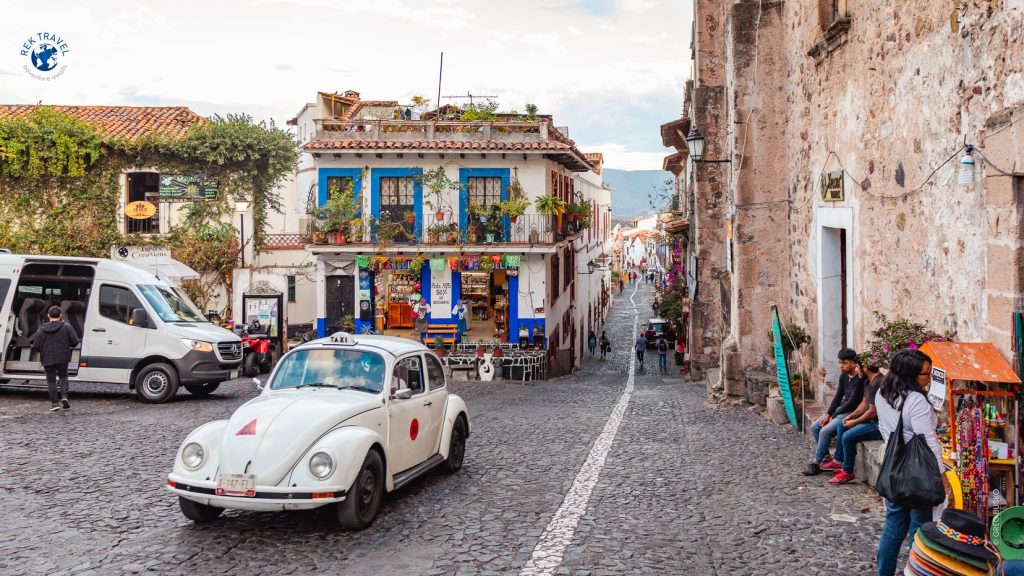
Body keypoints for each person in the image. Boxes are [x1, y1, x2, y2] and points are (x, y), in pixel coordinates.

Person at [874, 349, 947, 576]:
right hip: (917, 472)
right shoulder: (915, 400)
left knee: (894, 524)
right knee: (920, 526)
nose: (929, 377)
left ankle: (883, 572)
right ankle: (916, 572)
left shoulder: (882, 393)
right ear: (911, 375)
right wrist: (942, 476)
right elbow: (929, 442)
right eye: (926, 374)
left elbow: (886, 429)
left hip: (893, 464)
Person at [802, 347, 865, 476]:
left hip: (852, 412)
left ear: (854, 363)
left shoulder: (859, 379)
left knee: (824, 431)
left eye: (844, 363)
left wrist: (833, 415)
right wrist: (828, 414)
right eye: (840, 362)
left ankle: (816, 463)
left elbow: (852, 403)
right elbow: (837, 396)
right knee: (815, 427)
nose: (841, 366)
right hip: (840, 410)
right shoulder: (843, 376)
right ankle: (826, 458)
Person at [830, 363, 885, 485]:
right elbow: (863, 404)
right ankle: (840, 460)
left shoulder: (878, 383)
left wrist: (855, 422)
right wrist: (851, 416)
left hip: (880, 425)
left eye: (857, 367)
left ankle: (847, 472)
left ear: (865, 367)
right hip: (873, 420)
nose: (856, 370)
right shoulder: (867, 381)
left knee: (848, 436)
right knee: (842, 424)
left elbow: (872, 411)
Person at [30, 306, 80, 411]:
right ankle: (65, 397)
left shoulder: (42, 329)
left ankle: (54, 403)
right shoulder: (67, 327)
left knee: (51, 381)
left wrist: (43, 350)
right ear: (60, 315)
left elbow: (36, 346)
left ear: (48, 315)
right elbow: (75, 342)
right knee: (63, 377)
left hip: (48, 357)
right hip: (63, 356)